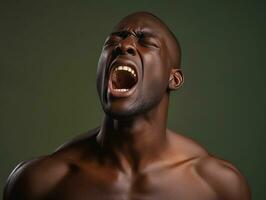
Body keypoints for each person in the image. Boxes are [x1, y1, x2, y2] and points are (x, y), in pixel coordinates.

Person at [4, 12, 250, 200]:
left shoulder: (218, 186)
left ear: (173, 79)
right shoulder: (38, 183)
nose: (124, 45)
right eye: (114, 40)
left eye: (146, 41)